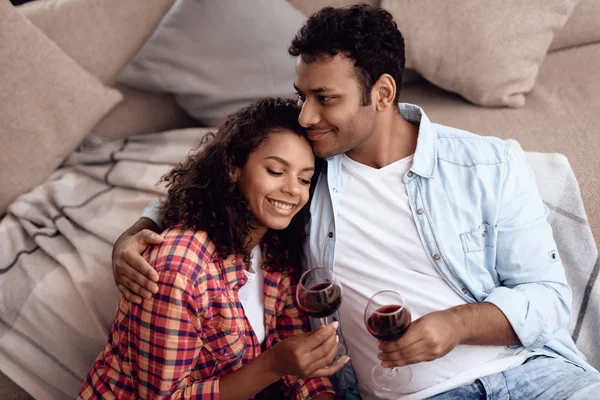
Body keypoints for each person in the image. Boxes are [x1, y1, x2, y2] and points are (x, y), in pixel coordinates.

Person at [111, 5, 600, 400]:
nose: (306, 115)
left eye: (325, 98)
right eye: (302, 95)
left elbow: (549, 296)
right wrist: (133, 236)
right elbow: (225, 183)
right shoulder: (306, 171)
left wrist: (455, 326)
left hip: (535, 374)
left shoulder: (489, 164)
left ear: (382, 92)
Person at [79, 98, 348, 400]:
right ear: (233, 168)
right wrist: (271, 367)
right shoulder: (178, 270)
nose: (292, 190)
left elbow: (291, 341)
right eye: (275, 171)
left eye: (304, 179)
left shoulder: (272, 248)